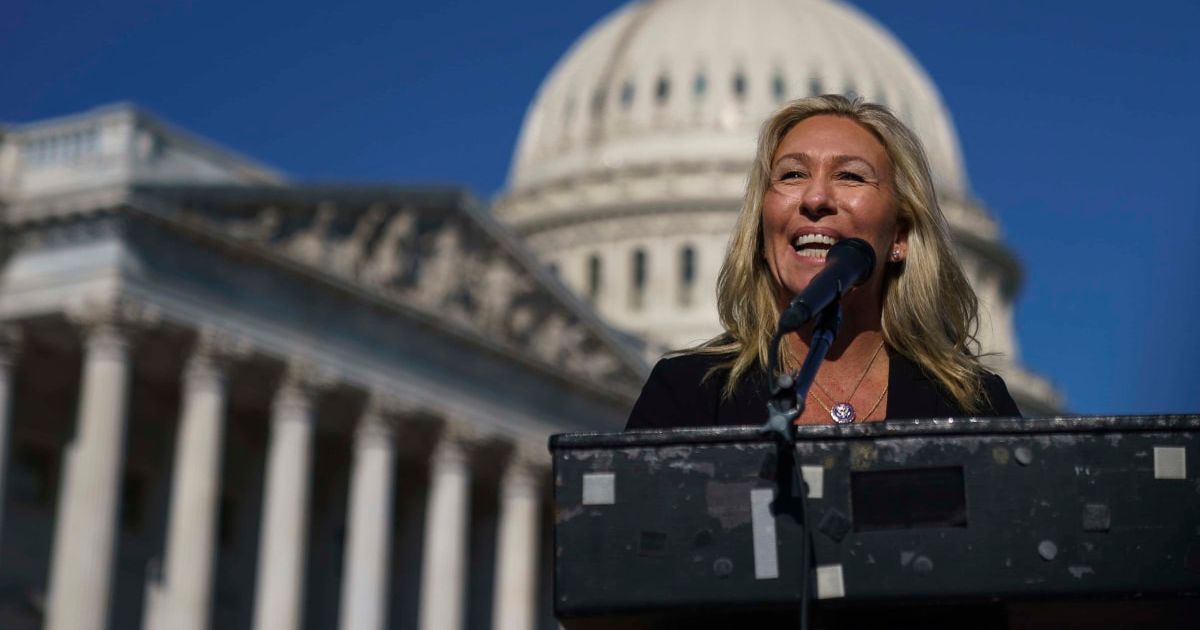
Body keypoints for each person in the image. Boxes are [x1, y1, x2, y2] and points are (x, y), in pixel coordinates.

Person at [626, 95, 1019, 430]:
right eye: (792, 174)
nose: (815, 198)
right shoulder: (689, 395)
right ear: (763, 233)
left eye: (850, 176)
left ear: (899, 236)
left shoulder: (973, 407)